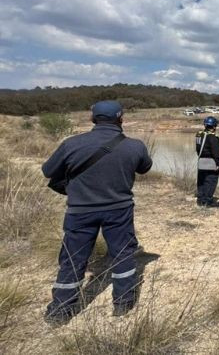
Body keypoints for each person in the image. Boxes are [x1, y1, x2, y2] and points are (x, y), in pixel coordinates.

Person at [42, 100, 152, 322]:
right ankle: (123, 303)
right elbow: (144, 167)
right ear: (121, 119)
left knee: (73, 258)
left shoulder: (71, 144)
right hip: (119, 209)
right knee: (122, 254)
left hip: (80, 211)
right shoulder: (135, 145)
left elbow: (48, 170)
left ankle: (60, 311)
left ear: (92, 118)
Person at [195, 116, 219, 207]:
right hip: (211, 162)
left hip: (201, 161)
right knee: (211, 181)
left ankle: (200, 199)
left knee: (201, 181)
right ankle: (207, 201)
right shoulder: (213, 138)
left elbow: (197, 149)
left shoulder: (199, 135)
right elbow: (216, 152)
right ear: (214, 126)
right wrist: (218, 163)